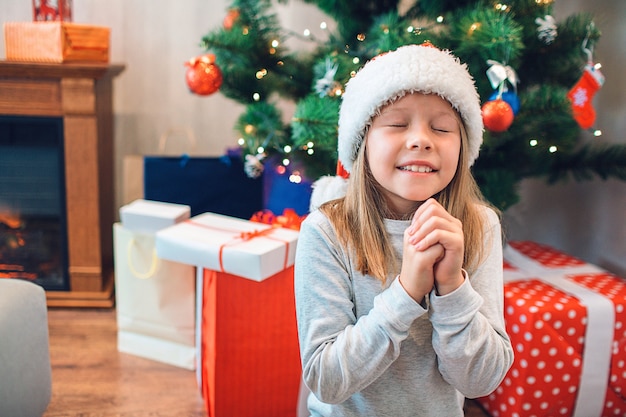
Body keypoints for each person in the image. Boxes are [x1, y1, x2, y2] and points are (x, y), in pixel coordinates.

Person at [294, 44, 514, 417]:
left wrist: (452, 288)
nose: (421, 140)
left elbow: (481, 381)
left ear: (463, 145)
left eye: (441, 128)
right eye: (397, 124)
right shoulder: (326, 232)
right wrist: (407, 294)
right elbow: (326, 380)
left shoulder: (479, 227)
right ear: (362, 143)